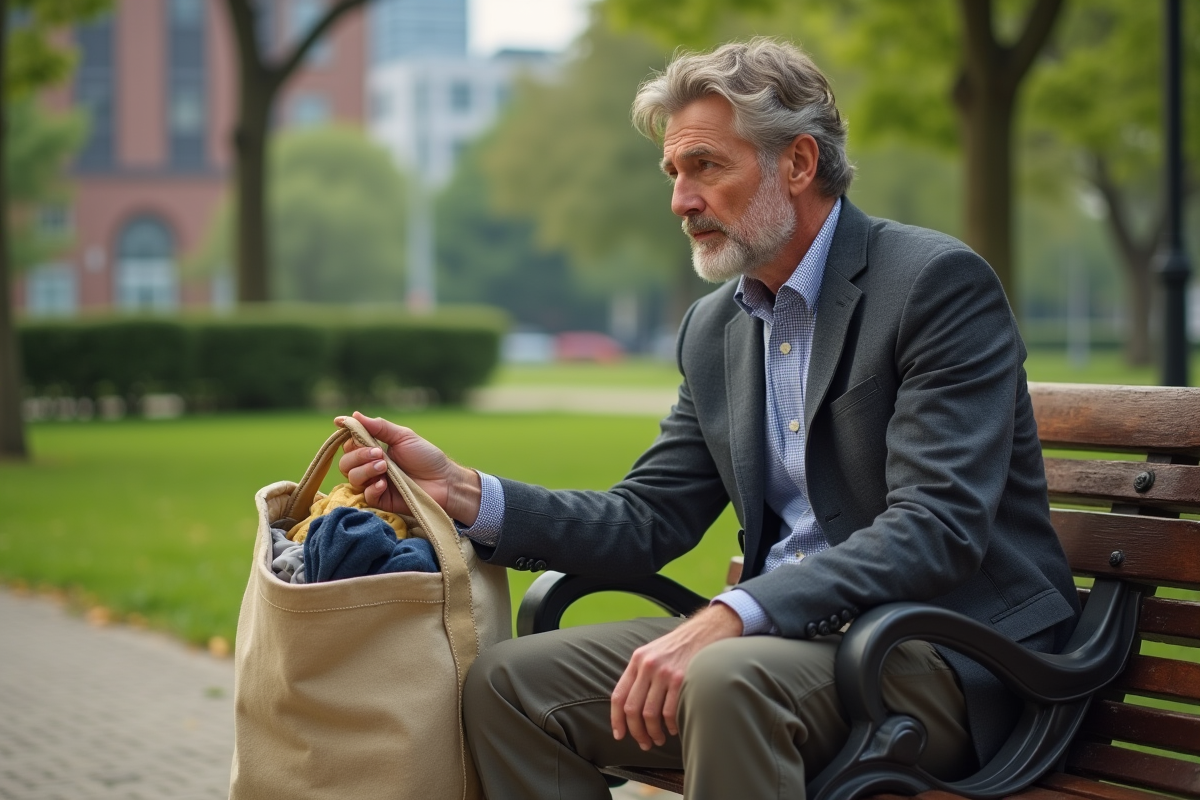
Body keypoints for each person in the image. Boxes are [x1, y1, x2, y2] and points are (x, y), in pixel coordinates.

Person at [337, 38, 1079, 800]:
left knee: (726, 680)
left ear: (796, 164)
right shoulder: (715, 327)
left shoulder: (933, 285)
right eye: (673, 173)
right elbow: (647, 518)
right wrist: (463, 491)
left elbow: (936, 524)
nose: (680, 202)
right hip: (787, 641)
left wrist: (735, 612)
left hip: (945, 650)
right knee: (507, 684)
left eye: (705, 167)